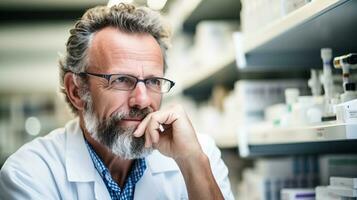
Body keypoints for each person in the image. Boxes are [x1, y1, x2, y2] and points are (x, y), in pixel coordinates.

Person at [0, 3, 234, 200]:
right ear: (77, 91)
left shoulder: (199, 153)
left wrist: (192, 162)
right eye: (121, 79)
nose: (142, 100)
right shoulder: (30, 173)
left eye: (153, 81)